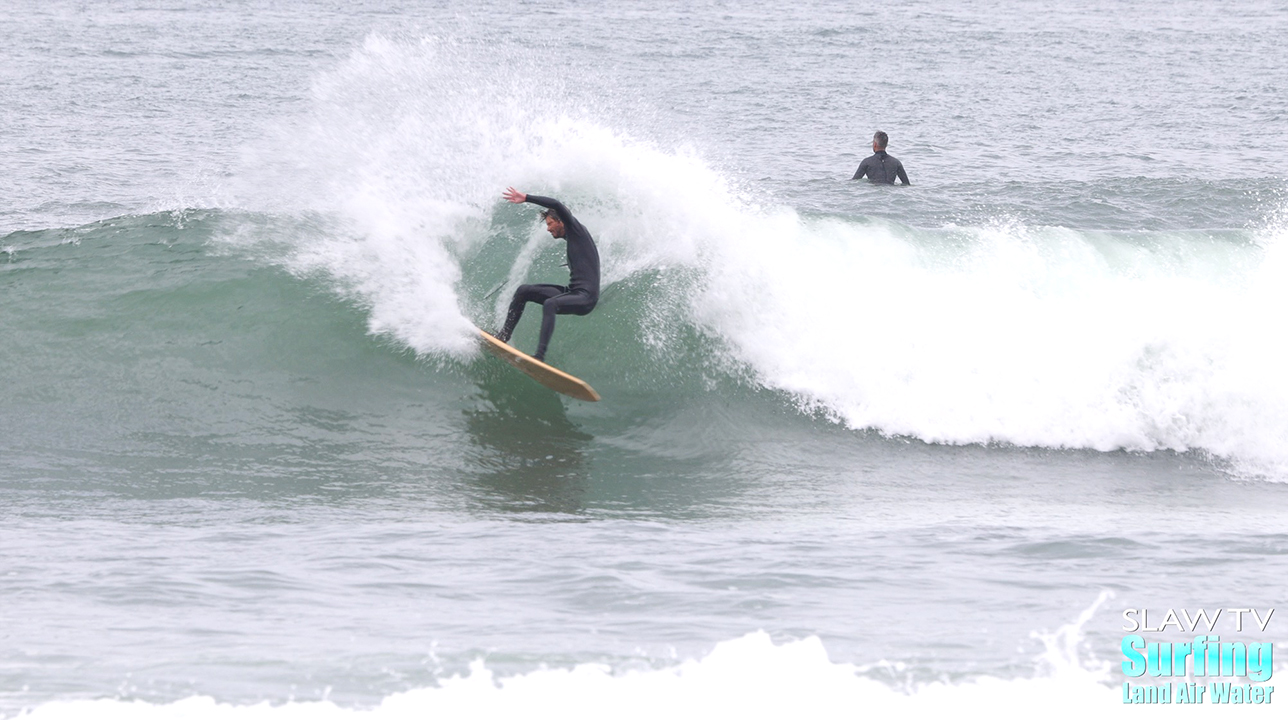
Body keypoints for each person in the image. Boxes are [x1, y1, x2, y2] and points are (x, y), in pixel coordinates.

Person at [493, 187, 601, 362]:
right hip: (573, 292)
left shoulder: (576, 230)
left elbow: (556, 204)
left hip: (586, 297)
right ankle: (503, 335)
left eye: (550, 224)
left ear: (561, 222)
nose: (548, 229)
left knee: (550, 304)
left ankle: (539, 356)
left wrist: (526, 197)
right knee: (523, 291)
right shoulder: (573, 239)